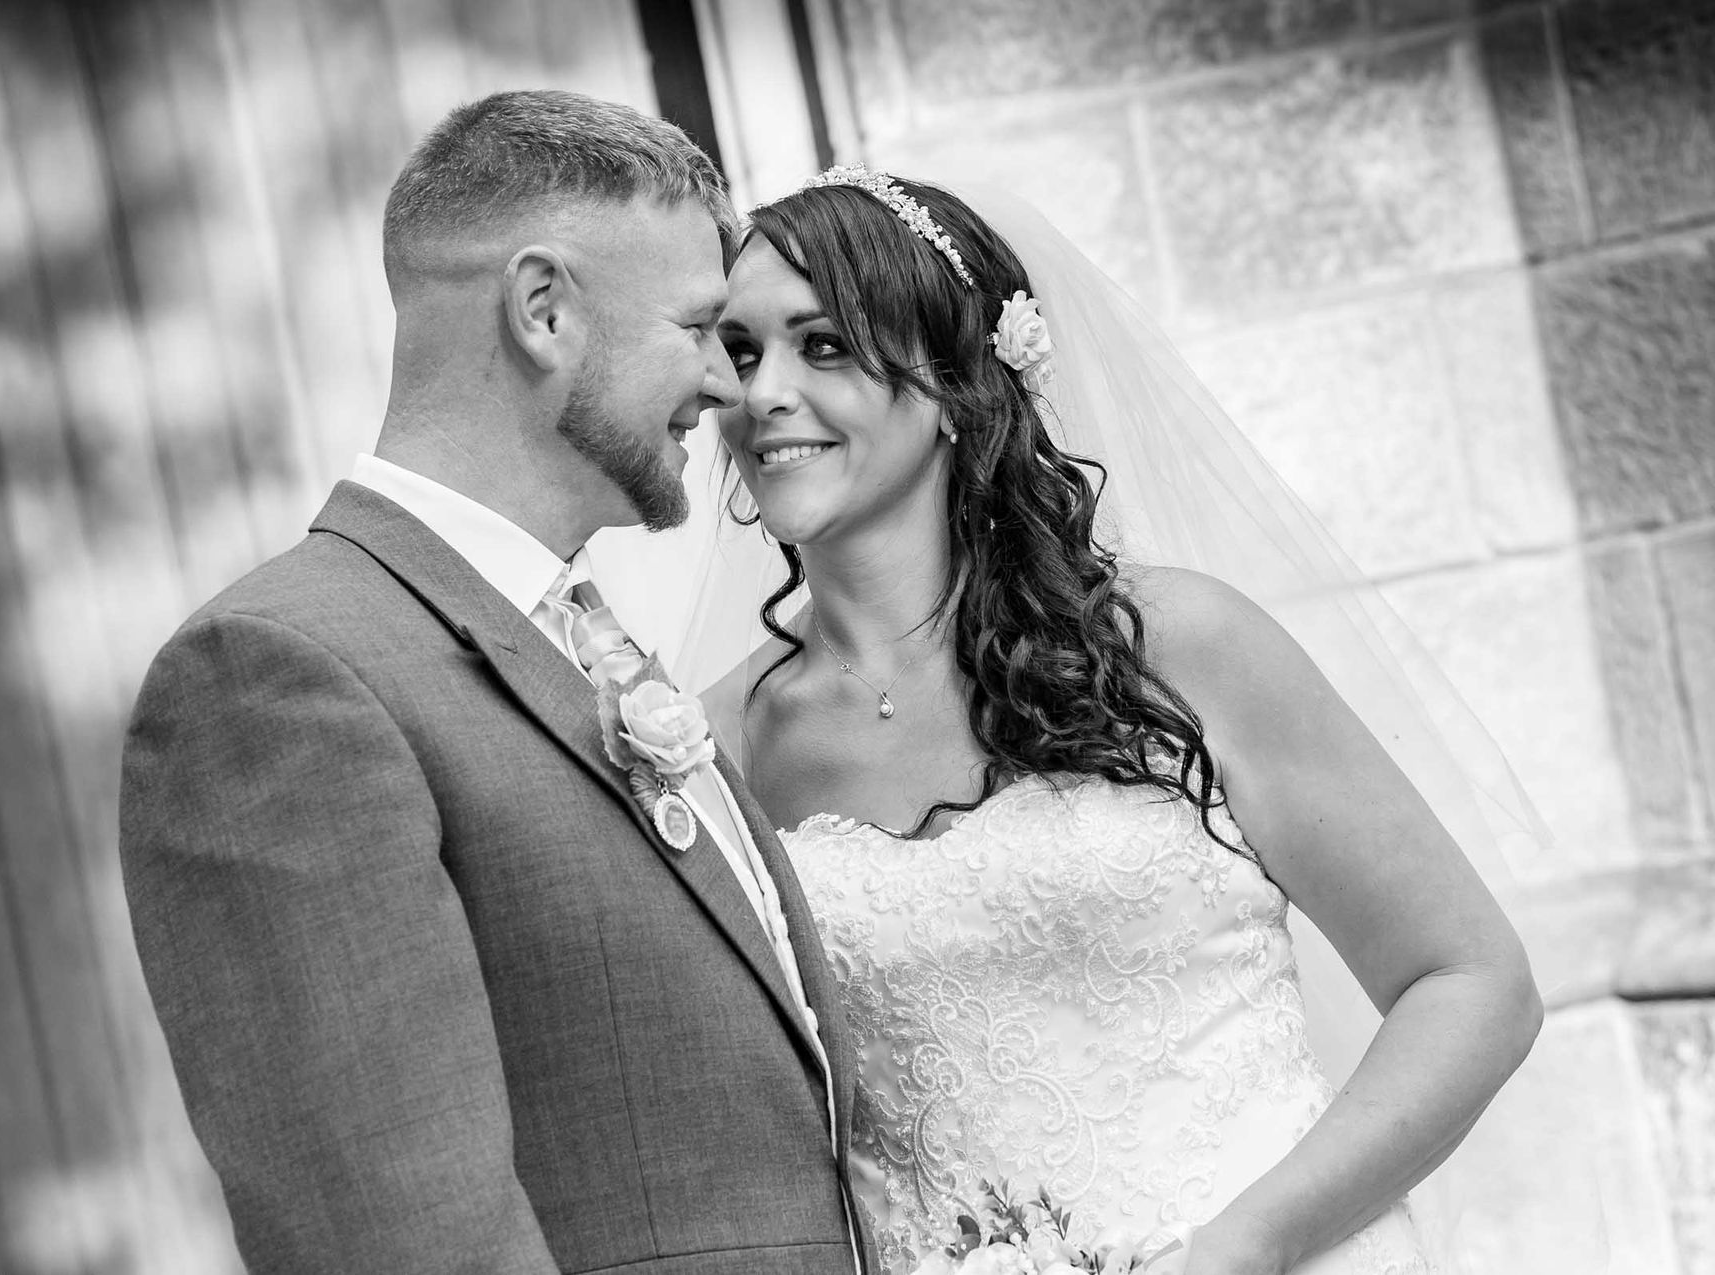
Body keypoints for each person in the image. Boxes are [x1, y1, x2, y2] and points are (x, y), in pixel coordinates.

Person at [699, 167, 1545, 1275]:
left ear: (957, 382)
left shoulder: (1176, 646)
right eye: (739, 351)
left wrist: (1243, 1246)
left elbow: (1474, 986)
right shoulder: (719, 745)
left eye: (822, 346)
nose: (762, 393)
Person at [119, 92, 871, 1274]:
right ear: (543, 310)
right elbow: (392, 1237)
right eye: (696, 329)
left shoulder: (578, 632)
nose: (728, 391)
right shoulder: (280, 678)